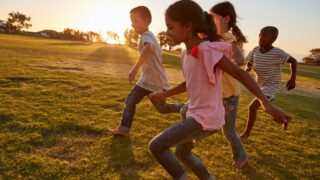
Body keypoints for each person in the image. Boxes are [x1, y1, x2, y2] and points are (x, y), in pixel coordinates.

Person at [148, 0, 290, 179]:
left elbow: (241, 74)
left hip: (205, 117)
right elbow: (189, 83)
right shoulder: (186, 53)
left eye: (170, 27)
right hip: (196, 114)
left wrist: (266, 104)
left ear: (188, 26)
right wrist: (164, 94)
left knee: (156, 146)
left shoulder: (207, 50)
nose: (168, 32)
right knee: (182, 153)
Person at [179, 0, 248, 169]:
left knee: (228, 131)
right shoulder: (211, 37)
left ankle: (241, 156)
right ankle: (193, 137)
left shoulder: (229, 38)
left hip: (228, 95)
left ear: (226, 19)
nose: (209, 20)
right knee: (184, 110)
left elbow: (240, 60)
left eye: (213, 17)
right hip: (213, 93)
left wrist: (224, 63)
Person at [109, 6, 183, 137]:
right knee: (130, 100)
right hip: (146, 81)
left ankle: (186, 108)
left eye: (135, 21)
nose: (132, 24)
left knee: (163, 109)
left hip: (156, 83)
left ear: (146, 21)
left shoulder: (146, 36)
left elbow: (148, 50)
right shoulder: (149, 36)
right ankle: (124, 129)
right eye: (131, 21)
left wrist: (135, 69)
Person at [240, 26, 297, 142]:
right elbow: (250, 62)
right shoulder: (255, 50)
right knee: (266, 108)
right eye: (260, 35)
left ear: (273, 39)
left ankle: (246, 134)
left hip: (271, 85)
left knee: (252, 107)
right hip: (259, 85)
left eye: (265, 36)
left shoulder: (277, 52)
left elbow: (294, 61)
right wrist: (247, 70)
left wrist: (292, 79)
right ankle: (285, 118)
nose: (261, 38)